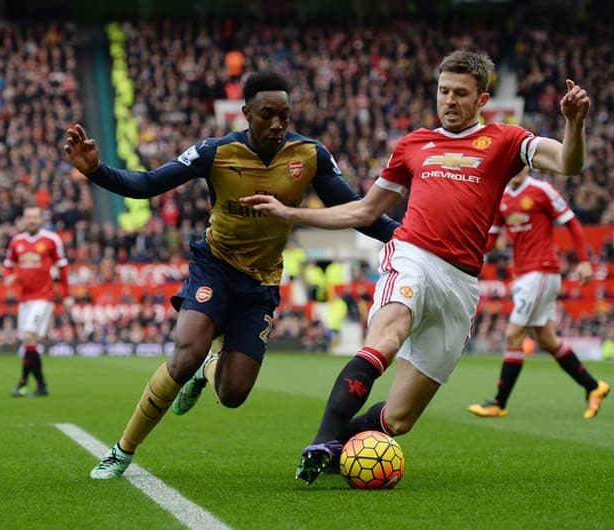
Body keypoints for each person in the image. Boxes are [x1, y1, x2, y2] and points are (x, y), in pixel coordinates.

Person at [241, 49, 592, 485]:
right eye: (444, 91)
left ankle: (333, 453)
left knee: (400, 418)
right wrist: (290, 214)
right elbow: (364, 211)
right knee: (386, 338)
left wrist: (574, 124)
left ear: (482, 100)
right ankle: (323, 438)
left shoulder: (505, 140)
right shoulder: (413, 145)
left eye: (461, 93)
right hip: (413, 256)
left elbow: (568, 163)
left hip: (461, 283)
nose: (449, 100)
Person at [63, 70, 399, 479]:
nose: (277, 124)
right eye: (267, 115)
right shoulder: (214, 153)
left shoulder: (309, 156)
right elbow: (148, 184)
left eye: (284, 116)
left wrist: (410, 238)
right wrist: (96, 171)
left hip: (261, 282)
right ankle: (122, 450)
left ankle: (211, 366)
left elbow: (358, 212)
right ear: (246, 114)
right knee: (184, 355)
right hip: (215, 266)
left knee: (233, 392)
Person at [467, 167, 610, 420]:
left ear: (528, 165)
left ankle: (499, 403)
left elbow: (572, 222)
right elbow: (491, 239)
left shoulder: (541, 190)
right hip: (523, 274)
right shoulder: (501, 198)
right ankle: (593, 387)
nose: (516, 170)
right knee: (547, 340)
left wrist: (584, 261)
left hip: (541, 271)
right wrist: (468, 248)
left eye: (521, 164)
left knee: (513, 334)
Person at [4, 205, 71, 397]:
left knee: (28, 336)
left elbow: (63, 267)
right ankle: (41, 386)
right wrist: (10, 276)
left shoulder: (51, 240)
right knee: (29, 342)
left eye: (35, 217)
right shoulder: (17, 241)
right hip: (24, 298)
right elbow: (8, 265)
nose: (31, 220)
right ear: (24, 219)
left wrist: (66, 296)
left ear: (41, 219)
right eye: (28, 217)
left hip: (43, 297)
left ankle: (22, 383)